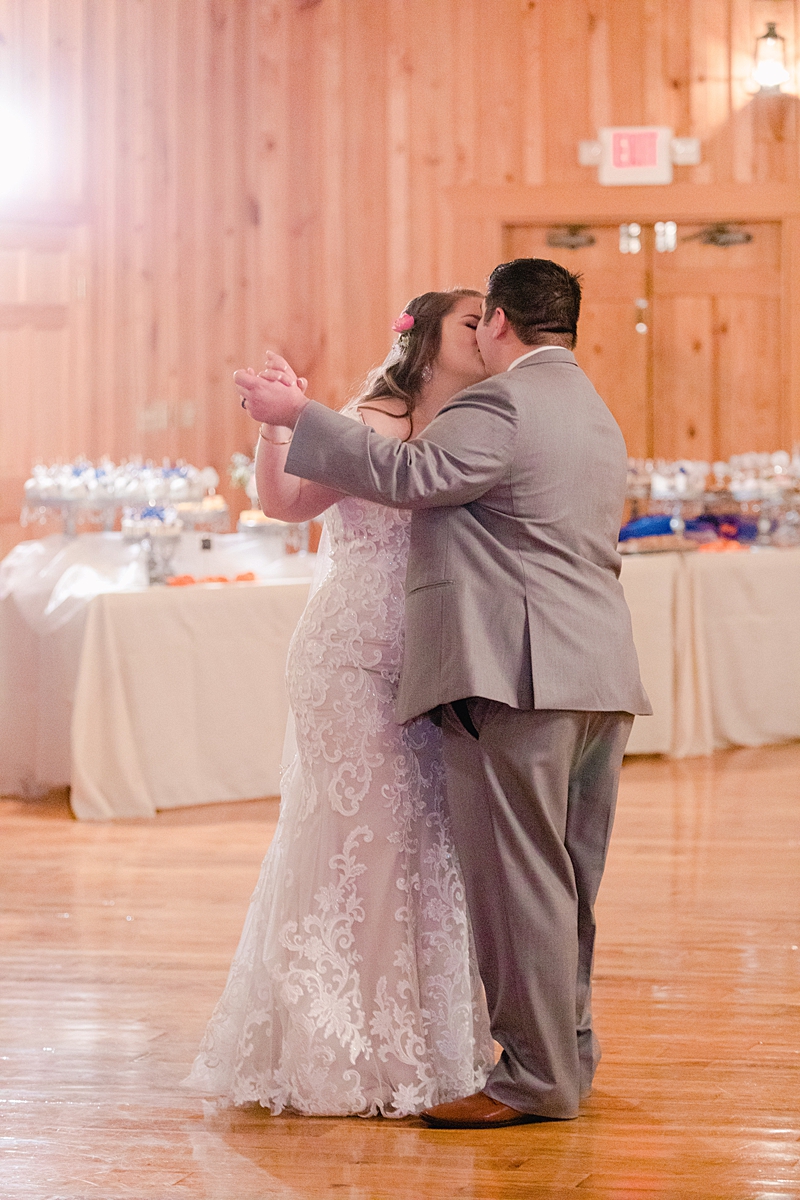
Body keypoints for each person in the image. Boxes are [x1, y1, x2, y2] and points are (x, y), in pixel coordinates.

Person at [234, 257, 652, 1130]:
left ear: (500, 323)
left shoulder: (498, 406)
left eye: (479, 320)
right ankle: (563, 1058)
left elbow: (413, 478)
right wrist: (288, 433)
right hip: (590, 672)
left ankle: (535, 1080)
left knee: (523, 882)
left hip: (518, 673)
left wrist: (295, 416)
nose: (473, 335)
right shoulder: (591, 408)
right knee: (564, 881)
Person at [188, 289, 494, 1118]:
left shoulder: (480, 420)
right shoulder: (374, 415)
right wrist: (277, 428)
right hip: (348, 659)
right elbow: (284, 504)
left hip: (435, 666)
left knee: (426, 847)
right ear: (427, 335)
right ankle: (338, 1051)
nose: (490, 329)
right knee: (363, 842)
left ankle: (423, 1045)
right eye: (473, 320)